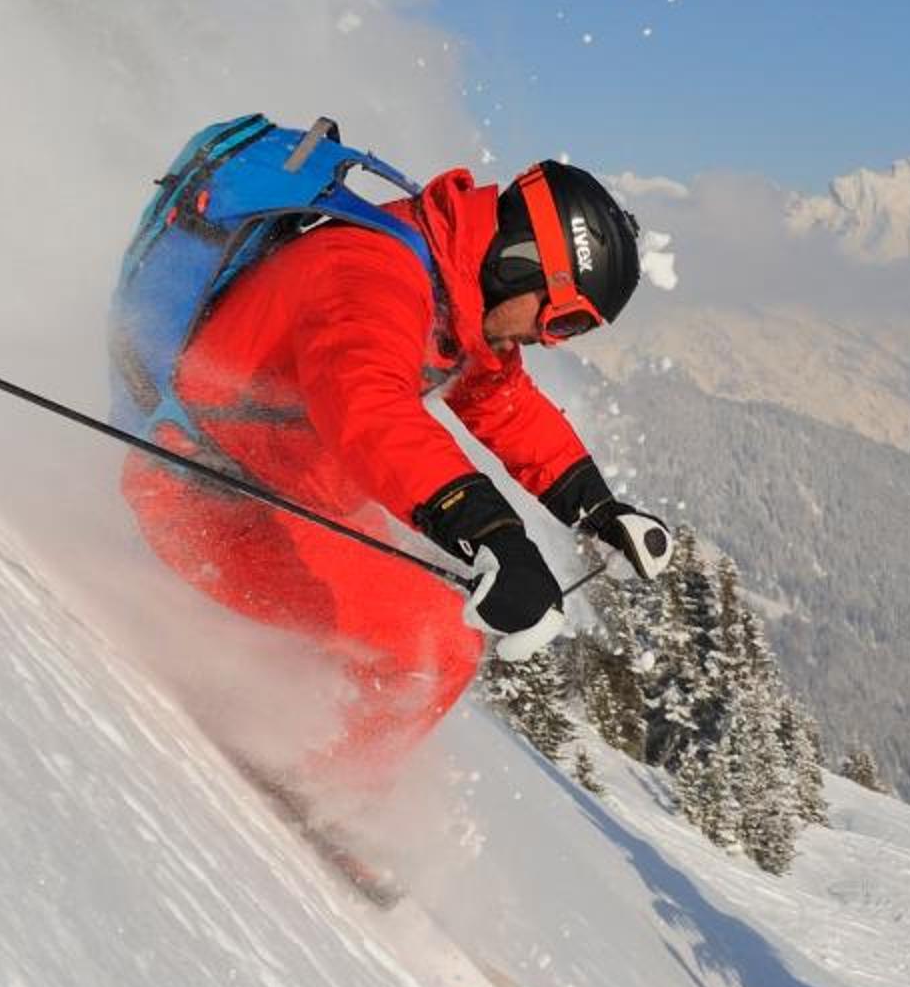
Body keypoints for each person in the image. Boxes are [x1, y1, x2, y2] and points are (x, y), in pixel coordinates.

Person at [117, 129, 672, 785]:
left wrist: (598, 509)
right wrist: (493, 533)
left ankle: (300, 758)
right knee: (435, 644)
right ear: (522, 263)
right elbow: (370, 409)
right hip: (205, 498)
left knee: (424, 615)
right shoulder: (367, 275)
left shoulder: (449, 284)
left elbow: (503, 404)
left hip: (283, 492)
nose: (549, 341)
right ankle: (312, 791)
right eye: (563, 321)